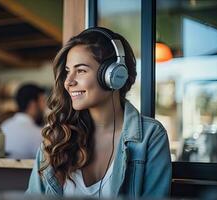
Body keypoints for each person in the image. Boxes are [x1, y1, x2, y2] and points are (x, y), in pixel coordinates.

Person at [26, 27, 171, 198]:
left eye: (80, 70)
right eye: (67, 71)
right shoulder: (57, 136)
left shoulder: (150, 136)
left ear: (114, 75)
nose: (68, 82)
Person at [0, 84, 46, 159]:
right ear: (33, 104)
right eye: (42, 101)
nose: (44, 106)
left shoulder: (4, 126)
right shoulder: (39, 134)